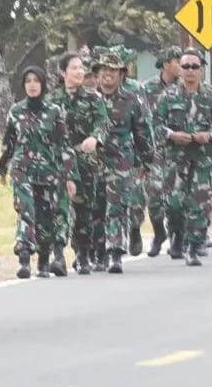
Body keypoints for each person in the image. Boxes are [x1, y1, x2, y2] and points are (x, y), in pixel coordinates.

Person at [0, 66, 78, 279]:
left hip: (49, 173)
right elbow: (9, 142)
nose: (32, 85)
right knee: (26, 211)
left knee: (46, 218)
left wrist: (70, 176)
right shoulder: (16, 111)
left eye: (36, 81)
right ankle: (24, 259)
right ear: (24, 85)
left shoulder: (54, 111)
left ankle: (45, 259)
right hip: (22, 171)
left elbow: (64, 145)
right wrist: (2, 169)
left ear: (42, 84)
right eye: (28, 81)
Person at [155, 49, 212, 266]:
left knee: (199, 204)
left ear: (201, 69)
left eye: (194, 67)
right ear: (180, 70)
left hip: (202, 158)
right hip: (176, 158)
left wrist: (210, 136)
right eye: (185, 67)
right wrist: (171, 135)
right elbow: (155, 125)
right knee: (174, 204)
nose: (190, 71)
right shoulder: (168, 96)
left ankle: (194, 246)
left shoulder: (211, 96)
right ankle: (176, 233)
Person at [48, 52, 109, 275]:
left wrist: (95, 138)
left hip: (85, 160)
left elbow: (102, 122)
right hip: (59, 161)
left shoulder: (94, 98)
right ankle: (57, 254)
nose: (79, 72)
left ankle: (83, 253)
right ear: (63, 72)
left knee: (84, 208)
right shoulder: (51, 100)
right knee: (58, 207)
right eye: (74, 68)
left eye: (81, 68)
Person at [95, 52, 154, 273]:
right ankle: (96, 251)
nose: (107, 74)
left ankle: (115, 252)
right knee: (95, 208)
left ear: (121, 75)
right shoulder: (89, 99)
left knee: (116, 207)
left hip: (120, 161)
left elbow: (142, 134)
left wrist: (145, 162)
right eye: (104, 70)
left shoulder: (132, 100)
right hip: (92, 162)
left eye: (113, 70)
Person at [141, 46, 182, 256]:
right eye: (177, 61)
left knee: (176, 198)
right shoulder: (147, 88)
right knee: (154, 195)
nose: (181, 66)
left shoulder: (186, 88)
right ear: (166, 64)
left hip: (179, 151)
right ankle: (159, 233)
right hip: (155, 150)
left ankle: (177, 237)